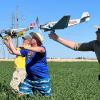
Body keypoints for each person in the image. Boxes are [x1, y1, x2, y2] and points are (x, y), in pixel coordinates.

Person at [8, 32, 52, 96]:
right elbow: (14, 51)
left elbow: (40, 50)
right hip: (29, 79)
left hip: (41, 79)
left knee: (47, 97)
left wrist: (26, 47)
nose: (32, 38)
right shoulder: (27, 51)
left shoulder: (42, 48)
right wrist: (10, 39)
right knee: (21, 94)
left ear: (38, 41)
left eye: (34, 38)